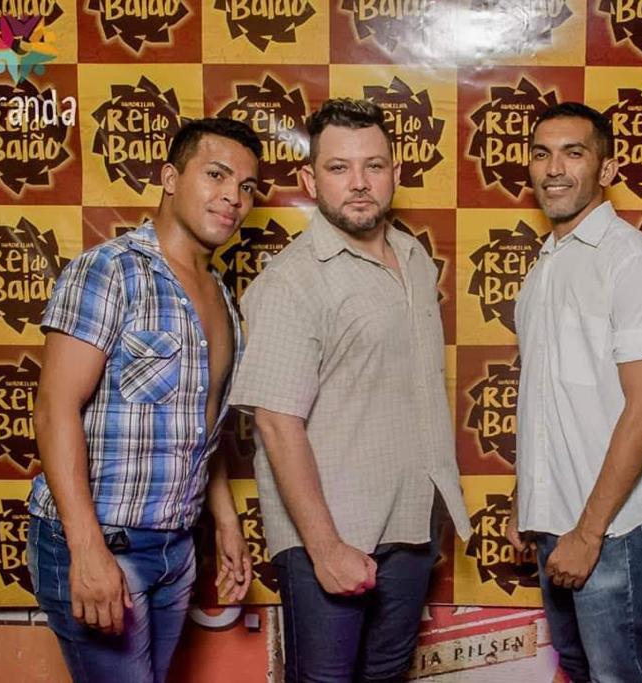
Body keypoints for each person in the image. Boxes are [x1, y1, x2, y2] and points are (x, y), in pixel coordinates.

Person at [227, 98, 471, 683]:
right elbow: (276, 424)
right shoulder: (292, 281)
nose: (359, 183)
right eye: (339, 168)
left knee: (386, 675)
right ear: (311, 180)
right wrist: (325, 547)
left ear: (395, 172)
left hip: (410, 525)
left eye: (373, 165)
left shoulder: (414, 258)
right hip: (331, 532)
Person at [29, 117, 263, 683]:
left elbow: (201, 430)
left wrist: (226, 522)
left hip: (174, 550)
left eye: (248, 186)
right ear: (169, 178)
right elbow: (54, 408)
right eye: (216, 175)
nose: (233, 197)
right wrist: (87, 550)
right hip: (102, 541)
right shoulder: (109, 271)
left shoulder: (223, 300)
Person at [504, 102, 642, 683]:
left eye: (573, 153)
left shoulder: (631, 261)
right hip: (554, 518)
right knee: (579, 668)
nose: (554, 168)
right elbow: (548, 396)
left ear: (606, 169)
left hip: (608, 529)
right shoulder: (545, 265)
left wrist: (588, 534)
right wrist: (527, 499)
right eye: (542, 154)